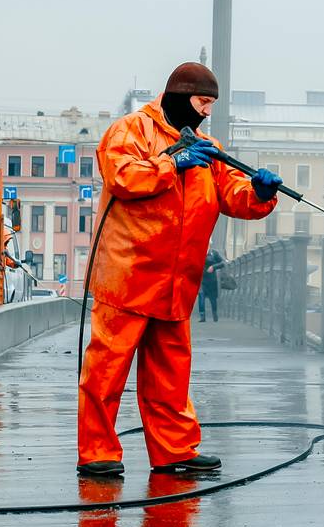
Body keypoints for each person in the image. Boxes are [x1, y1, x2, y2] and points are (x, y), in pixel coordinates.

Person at [77, 61, 282, 478]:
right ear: (179, 95)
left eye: (212, 104)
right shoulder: (130, 131)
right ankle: (97, 451)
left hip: (176, 284)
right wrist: (173, 163)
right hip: (128, 277)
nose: (207, 111)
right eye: (203, 101)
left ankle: (174, 451)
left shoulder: (207, 148)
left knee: (170, 373)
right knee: (107, 370)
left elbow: (233, 196)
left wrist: (260, 193)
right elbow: (122, 177)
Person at [198, 249, 225, 323]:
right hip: (201, 280)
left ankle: (214, 314)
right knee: (201, 297)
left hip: (211, 280)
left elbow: (223, 263)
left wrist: (213, 267)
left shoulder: (214, 253)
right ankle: (202, 316)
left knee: (213, 299)